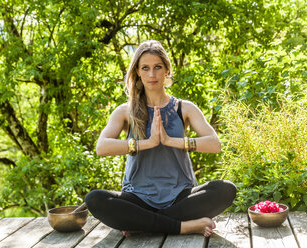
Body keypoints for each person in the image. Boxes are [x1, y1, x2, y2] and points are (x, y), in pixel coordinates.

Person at [85, 40, 236, 237]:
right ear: (137, 72)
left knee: (226, 190)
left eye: (157, 67)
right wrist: (147, 143)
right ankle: (184, 226)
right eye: (145, 68)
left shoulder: (184, 108)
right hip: (137, 198)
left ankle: (143, 223)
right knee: (94, 199)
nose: (151, 74)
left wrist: (171, 141)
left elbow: (214, 144)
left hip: (180, 197)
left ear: (167, 70)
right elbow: (101, 147)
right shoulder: (125, 111)